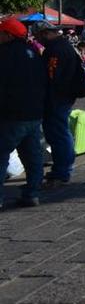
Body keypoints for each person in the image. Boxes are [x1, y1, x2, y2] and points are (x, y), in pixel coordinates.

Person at [0, 17, 48, 208]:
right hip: (34, 112)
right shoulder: (34, 52)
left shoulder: (3, 53)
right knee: (32, 155)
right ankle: (32, 193)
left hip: (11, 113)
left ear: (7, 35)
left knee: (1, 154)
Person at [32, 21, 83, 188]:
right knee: (60, 133)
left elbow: (52, 76)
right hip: (63, 96)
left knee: (59, 134)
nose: (39, 40)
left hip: (58, 97)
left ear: (46, 33)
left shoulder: (56, 49)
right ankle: (62, 169)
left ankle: (62, 172)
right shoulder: (63, 46)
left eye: (39, 36)